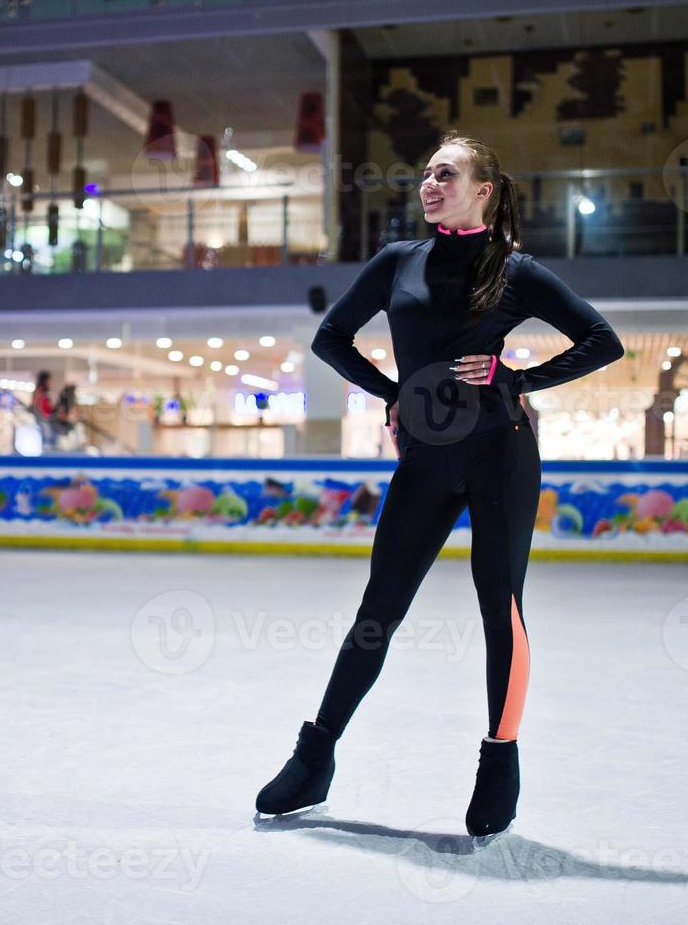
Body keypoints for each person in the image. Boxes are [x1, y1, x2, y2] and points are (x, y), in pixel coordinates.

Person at [254, 131, 625, 841]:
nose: (429, 184)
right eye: (425, 174)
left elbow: (599, 339)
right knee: (377, 608)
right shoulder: (398, 263)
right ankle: (313, 758)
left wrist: (517, 378)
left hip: (500, 454)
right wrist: (389, 392)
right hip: (425, 459)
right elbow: (331, 337)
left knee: (498, 607)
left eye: (445, 174)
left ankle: (498, 762)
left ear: (483, 189)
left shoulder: (515, 270)